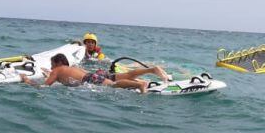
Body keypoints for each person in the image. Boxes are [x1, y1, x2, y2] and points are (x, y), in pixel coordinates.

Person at [21, 53, 170, 92]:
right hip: (93, 73)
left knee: (114, 85)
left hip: (89, 78)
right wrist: (51, 75)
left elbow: (44, 87)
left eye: (52, 64)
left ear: (58, 63)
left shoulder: (58, 69)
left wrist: (27, 81)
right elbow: (64, 77)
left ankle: (140, 85)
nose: (51, 68)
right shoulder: (70, 67)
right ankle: (152, 70)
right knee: (125, 75)